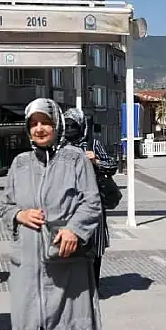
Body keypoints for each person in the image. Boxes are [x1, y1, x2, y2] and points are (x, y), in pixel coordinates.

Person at [0, 98, 105, 330]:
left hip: (65, 257)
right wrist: (19, 215)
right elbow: (5, 206)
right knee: (31, 321)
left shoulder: (75, 160)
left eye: (45, 121)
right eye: (33, 123)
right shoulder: (20, 163)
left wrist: (74, 229)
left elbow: (92, 202)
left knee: (69, 317)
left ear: (57, 123)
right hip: (28, 260)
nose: (40, 128)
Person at [62, 107, 118, 286]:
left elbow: (112, 166)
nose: (70, 129)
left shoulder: (93, 144)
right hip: (66, 205)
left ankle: (93, 284)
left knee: (94, 246)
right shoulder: (59, 146)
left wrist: (96, 161)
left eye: (74, 125)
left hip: (93, 203)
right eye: (67, 125)